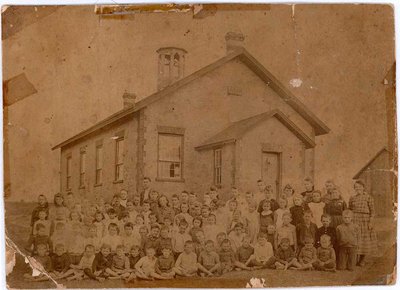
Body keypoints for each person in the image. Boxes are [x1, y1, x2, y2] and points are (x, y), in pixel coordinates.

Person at [348, 180, 378, 266]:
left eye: (359, 187)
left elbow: (373, 212)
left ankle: (362, 259)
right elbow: (349, 210)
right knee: (356, 239)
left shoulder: (369, 197)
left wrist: (371, 222)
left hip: (365, 220)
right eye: (356, 187)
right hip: (355, 220)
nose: (358, 188)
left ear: (363, 187)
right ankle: (355, 259)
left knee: (364, 240)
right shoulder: (352, 198)